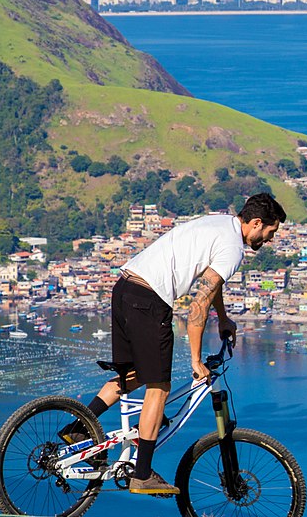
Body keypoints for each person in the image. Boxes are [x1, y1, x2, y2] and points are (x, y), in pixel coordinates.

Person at [60, 193, 286, 495]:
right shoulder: (234, 249)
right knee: (159, 388)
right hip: (150, 300)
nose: (269, 239)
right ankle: (142, 475)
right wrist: (195, 360)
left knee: (135, 376)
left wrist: (224, 318)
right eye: (270, 232)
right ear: (257, 223)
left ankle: (75, 430)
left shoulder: (219, 223)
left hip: (125, 288)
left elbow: (210, 283)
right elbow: (197, 307)